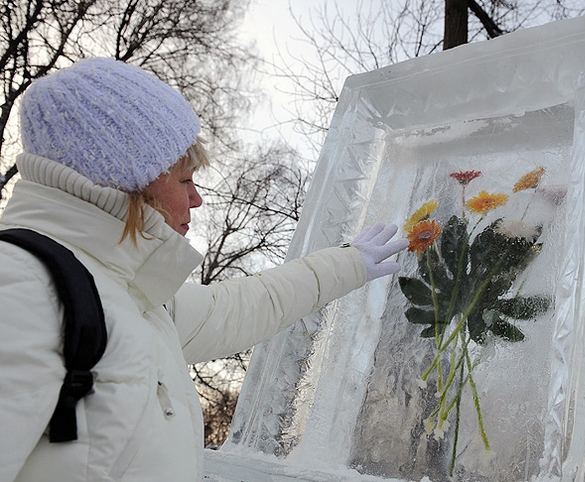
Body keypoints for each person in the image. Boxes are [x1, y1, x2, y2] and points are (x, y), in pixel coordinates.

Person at [0, 58, 408, 482]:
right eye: (184, 180)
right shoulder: (19, 287)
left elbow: (235, 307)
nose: (195, 199)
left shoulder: (131, 298)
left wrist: (346, 262)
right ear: (129, 180)